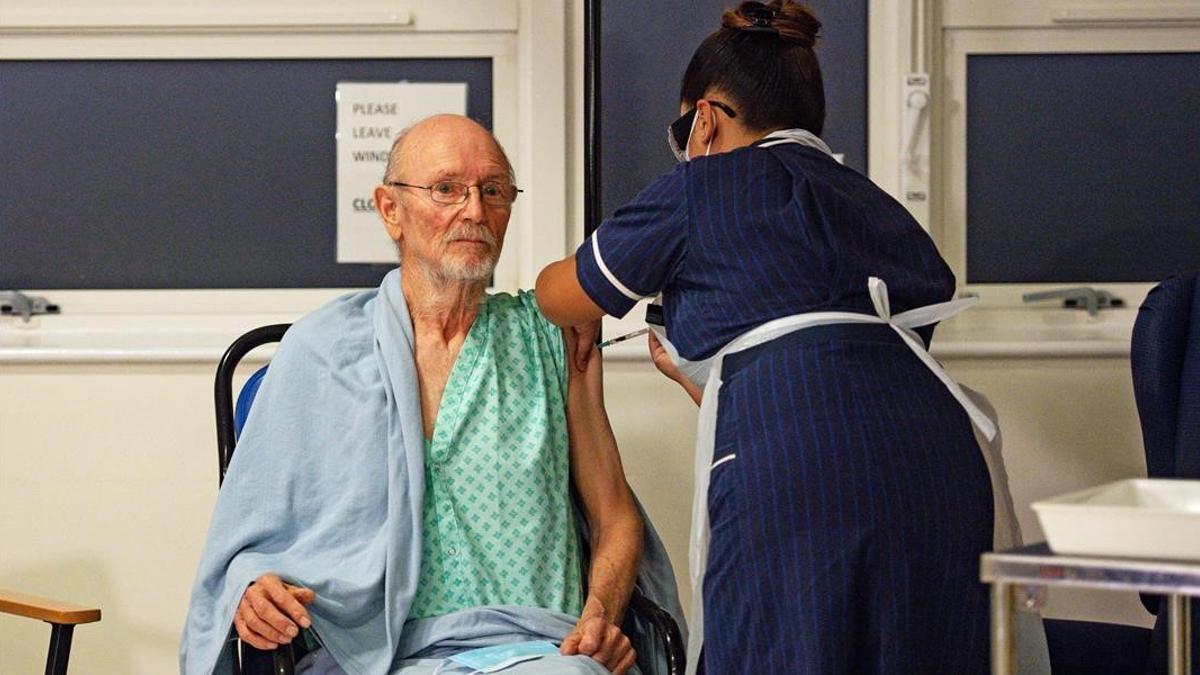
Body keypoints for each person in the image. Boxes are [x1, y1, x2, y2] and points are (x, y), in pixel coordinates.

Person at [535, 1, 998, 673]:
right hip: (941, 463)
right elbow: (851, 381)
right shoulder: (877, 205)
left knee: (780, 646)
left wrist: (577, 306)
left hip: (799, 473)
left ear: (705, 119)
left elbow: (562, 291)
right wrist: (709, 379)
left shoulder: (702, 186)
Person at [182, 115, 683, 675]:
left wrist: (600, 617)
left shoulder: (553, 337)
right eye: (446, 189)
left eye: (492, 190)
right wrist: (253, 589)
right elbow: (252, 536)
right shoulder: (320, 351)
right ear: (390, 209)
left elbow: (614, 516)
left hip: (536, 651)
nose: (474, 210)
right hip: (368, 656)